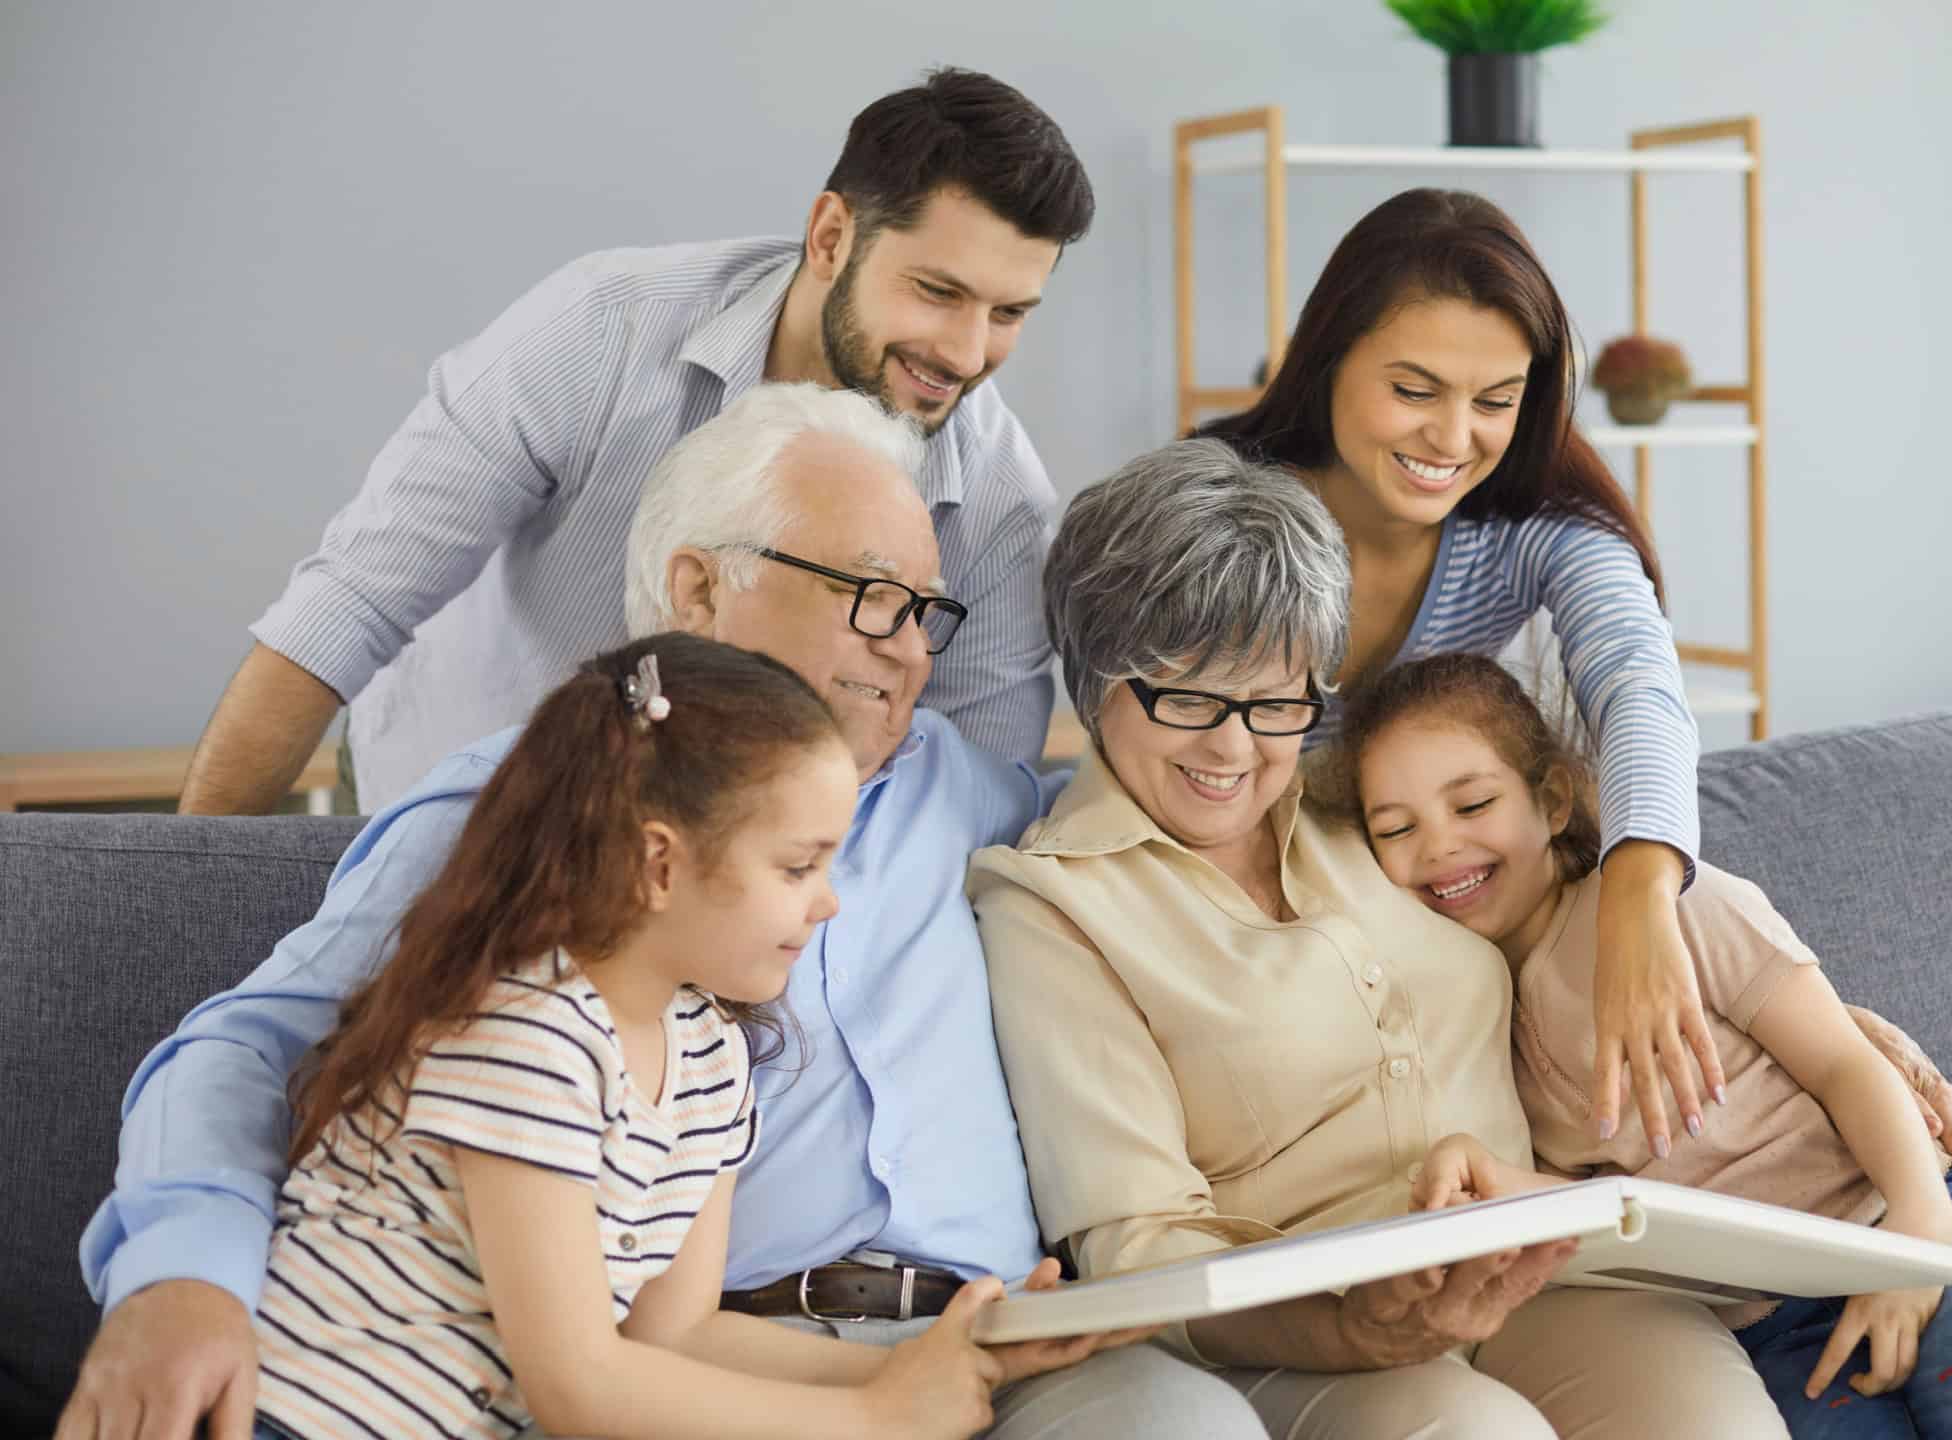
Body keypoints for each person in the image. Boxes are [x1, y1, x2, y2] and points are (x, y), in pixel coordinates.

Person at [63, 385, 1262, 1440]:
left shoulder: (974, 802)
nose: (909, 653)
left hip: (986, 1344)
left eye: (927, 614)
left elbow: (1186, 837)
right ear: (700, 586)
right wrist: (183, 1275)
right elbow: (246, 1046)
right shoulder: (527, 811)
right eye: (873, 599)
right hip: (688, 1367)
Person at [969, 440, 1952, 1440]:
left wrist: (1836, 1032)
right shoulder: (1051, 904)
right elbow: (1138, 1247)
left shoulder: (1360, 807)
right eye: (1189, 698)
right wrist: (1353, 1328)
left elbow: (1559, 916)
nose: (1235, 748)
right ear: (1096, 678)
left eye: (1275, 699)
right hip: (1318, 1324)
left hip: (1549, 1261)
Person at [182, 67, 1091, 814]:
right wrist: (192, 902)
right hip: (453, 803)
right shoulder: (599, 331)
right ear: (829, 236)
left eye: (1009, 312)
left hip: (739, 889)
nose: (967, 354)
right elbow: (346, 610)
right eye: (937, 291)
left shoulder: (999, 502)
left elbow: (967, 794)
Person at [251, 632, 1010, 1440]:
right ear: (660, 864)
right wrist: (874, 1418)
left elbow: (677, 1335)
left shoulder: (710, 1056)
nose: (829, 905)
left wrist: (941, 1363)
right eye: (798, 868)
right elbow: (578, 1386)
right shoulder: (527, 1032)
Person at [1340, 652, 1952, 1440]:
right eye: (1395, 828)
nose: (1438, 846)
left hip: (1909, 1221)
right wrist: (1493, 1179)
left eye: (1471, 804)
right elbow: (1618, 1207)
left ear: (1553, 800)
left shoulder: (1672, 910)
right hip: (1772, 1320)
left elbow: (1846, 1064)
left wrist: (1917, 1232)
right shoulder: (1475, 1016)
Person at [1197, 187, 1723, 1160]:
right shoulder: (1217, 504)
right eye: (1413, 390)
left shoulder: (1535, 530)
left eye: (1494, 402)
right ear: (1328, 362)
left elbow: (1637, 687)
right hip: (1233, 910)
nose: (1451, 440)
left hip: (1404, 914)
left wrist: (1641, 893)